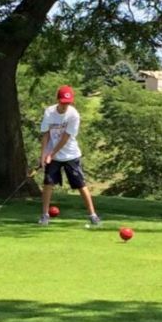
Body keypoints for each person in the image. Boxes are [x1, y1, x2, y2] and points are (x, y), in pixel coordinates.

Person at [38, 85, 101, 226]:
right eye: (63, 102)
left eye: (68, 102)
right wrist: (43, 155)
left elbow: (65, 137)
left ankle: (93, 215)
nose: (65, 105)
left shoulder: (73, 115)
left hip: (71, 155)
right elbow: (46, 134)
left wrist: (52, 153)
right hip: (52, 156)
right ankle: (44, 215)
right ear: (58, 100)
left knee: (80, 184)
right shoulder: (49, 112)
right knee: (48, 183)